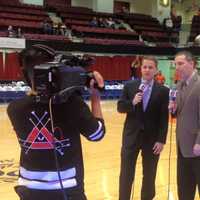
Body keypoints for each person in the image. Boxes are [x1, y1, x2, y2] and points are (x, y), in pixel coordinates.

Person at [7, 44, 106, 200]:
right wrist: (95, 95)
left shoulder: (14, 109)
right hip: (68, 191)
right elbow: (97, 134)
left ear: (25, 75)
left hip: (29, 191)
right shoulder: (72, 104)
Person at [118, 56, 169, 200]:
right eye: (145, 67)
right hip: (131, 137)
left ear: (156, 70)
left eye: (150, 67)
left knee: (150, 173)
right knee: (126, 173)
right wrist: (132, 103)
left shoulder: (163, 91)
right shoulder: (130, 86)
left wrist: (161, 140)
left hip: (152, 140)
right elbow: (120, 107)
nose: (147, 70)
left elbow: (163, 118)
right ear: (141, 69)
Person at [169, 50, 200, 200]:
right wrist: (173, 110)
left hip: (197, 147)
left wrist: (199, 142)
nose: (177, 67)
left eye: (181, 63)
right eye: (176, 64)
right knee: (184, 191)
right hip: (182, 147)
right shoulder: (180, 85)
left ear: (192, 63)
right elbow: (181, 113)